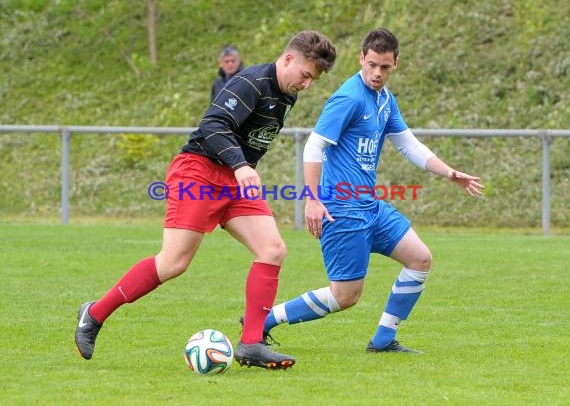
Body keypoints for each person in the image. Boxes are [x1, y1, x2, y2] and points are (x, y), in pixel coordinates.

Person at [75, 30, 337, 370]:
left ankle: (252, 344)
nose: (307, 85)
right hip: (197, 172)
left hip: (232, 180)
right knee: (173, 263)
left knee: (273, 249)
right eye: (305, 75)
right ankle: (93, 314)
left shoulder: (287, 95)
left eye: (313, 80)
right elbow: (213, 124)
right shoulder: (252, 82)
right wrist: (241, 165)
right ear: (288, 59)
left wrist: (240, 170)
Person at [259, 28, 484, 353]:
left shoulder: (384, 99)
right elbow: (314, 145)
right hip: (342, 209)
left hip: (370, 206)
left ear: (395, 65)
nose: (377, 73)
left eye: (385, 67)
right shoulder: (348, 98)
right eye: (373, 65)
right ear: (362, 58)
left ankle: (383, 340)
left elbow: (408, 144)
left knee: (420, 258)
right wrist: (312, 200)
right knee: (345, 296)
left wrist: (449, 172)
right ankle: (264, 321)